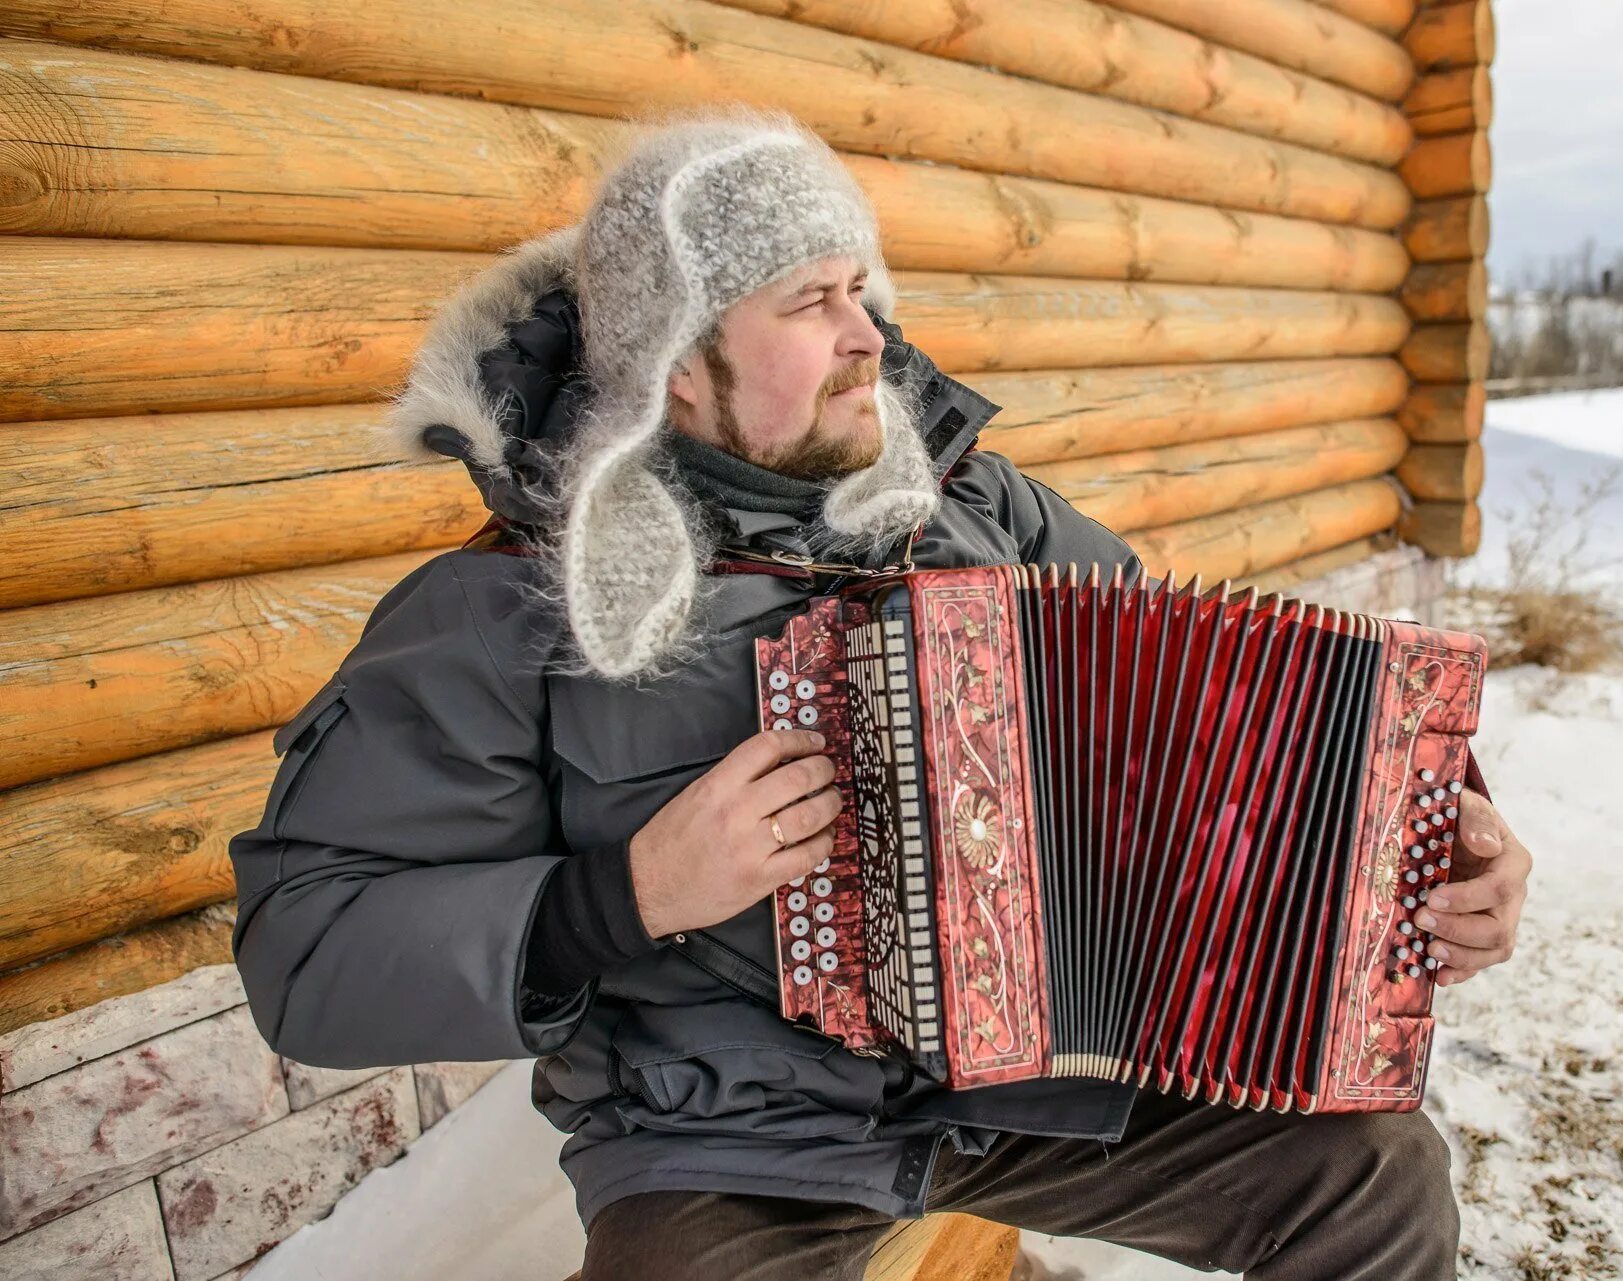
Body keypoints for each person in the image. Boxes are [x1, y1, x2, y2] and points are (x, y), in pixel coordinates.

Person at [227, 107, 1534, 1280]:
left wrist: (1424, 844)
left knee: (1373, 1172)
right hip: (731, 1147)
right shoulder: (508, 610)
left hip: (1032, 1087)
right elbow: (305, 945)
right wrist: (621, 898)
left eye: (862, 287)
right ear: (679, 361)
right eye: (811, 301)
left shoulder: (977, 508)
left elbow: (1224, 724)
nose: (871, 335)